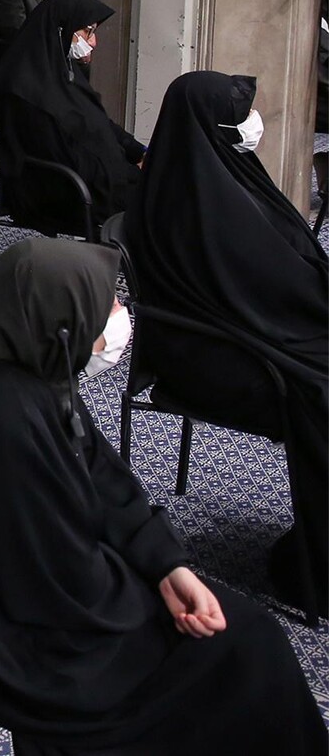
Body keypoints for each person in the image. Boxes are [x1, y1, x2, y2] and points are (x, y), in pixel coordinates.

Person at [0, 239, 326, 756]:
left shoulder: (37, 374)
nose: (120, 314)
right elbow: (47, 584)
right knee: (244, 653)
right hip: (24, 635)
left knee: (251, 641)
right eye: (107, 304)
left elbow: (104, 478)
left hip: (60, 590)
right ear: (60, 323)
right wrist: (146, 598)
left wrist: (168, 567)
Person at [126, 71, 327, 615]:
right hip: (214, 351)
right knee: (321, 392)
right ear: (209, 126)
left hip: (254, 326)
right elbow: (254, 282)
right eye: (238, 116)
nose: (251, 124)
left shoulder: (222, 169)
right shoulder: (186, 198)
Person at [0, 0, 144, 237]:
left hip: (96, 177)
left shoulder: (60, 70)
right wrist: (132, 173)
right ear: (61, 30)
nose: (93, 42)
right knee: (168, 198)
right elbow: (64, 156)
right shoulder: (24, 94)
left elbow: (101, 123)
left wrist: (138, 151)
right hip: (65, 191)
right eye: (87, 31)